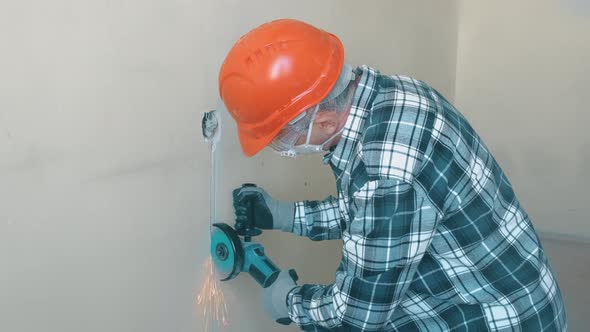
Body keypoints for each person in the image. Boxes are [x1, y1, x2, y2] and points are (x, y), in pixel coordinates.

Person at [219, 19, 567, 331]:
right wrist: (286, 216)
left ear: (322, 121)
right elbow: (373, 216)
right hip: (507, 288)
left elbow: (357, 317)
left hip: (500, 318)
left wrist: (292, 301)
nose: (283, 146)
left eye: (281, 137)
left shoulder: (384, 169)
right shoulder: (394, 95)